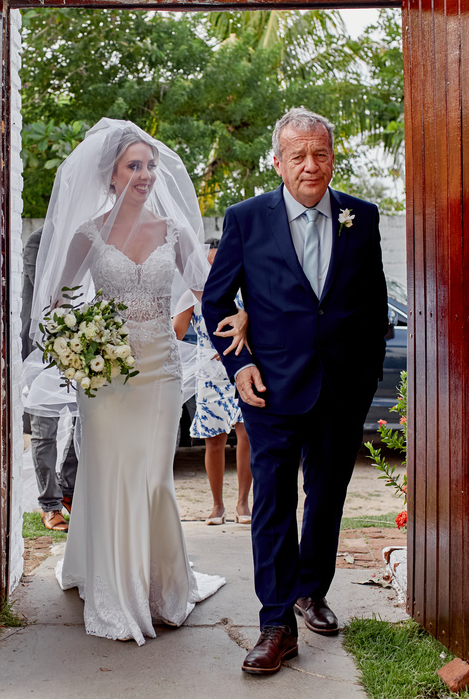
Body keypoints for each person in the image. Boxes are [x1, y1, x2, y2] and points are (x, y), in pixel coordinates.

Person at [25, 118, 245, 645]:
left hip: (161, 373)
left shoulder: (175, 231)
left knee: (151, 480)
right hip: (106, 378)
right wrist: (80, 342)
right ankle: (113, 590)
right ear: (111, 175)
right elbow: (54, 300)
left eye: (149, 165)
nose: (146, 174)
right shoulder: (88, 234)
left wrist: (244, 316)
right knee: (107, 477)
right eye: (134, 166)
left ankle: (159, 585)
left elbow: (207, 290)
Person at [202, 108, 387, 675]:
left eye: (321, 154)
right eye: (299, 156)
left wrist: (366, 377)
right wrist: (241, 366)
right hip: (271, 390)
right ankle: (276, 622)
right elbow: (216, 301)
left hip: (341, 389)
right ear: (278, 163)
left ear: (333, 158)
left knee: (327, 498)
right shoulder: (246, 218)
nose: (312, 165)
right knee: (274, 503)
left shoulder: (363, 216)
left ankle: (312, 590)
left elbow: (372, 304)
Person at [172, 239, 252, 527]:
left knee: (247, 435)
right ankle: (216, 506)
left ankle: (243, 502)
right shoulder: (191, 297)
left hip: (244, 369)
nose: (212, 268)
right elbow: (175, 335)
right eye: (208, 262)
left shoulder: (246, 291)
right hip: (210, 374)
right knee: (214, 439)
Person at [21, 226, 77, 532]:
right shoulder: (39, 240)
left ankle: (68, 489)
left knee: (85, 422)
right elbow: (49, 295)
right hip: (42, 348)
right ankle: (50, 505)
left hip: (86, 345)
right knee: (45, 428)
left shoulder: (93, 234)